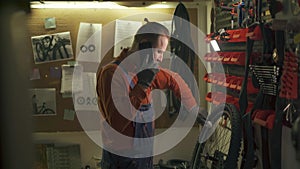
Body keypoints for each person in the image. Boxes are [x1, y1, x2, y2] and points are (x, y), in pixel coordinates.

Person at [96, 21, 206, 169]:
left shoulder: (146, 70)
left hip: (144, 156)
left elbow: (175, 80)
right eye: (159, 51)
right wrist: (142, 85)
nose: (161, 58)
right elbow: (118, 122)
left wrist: (193, 108)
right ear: (144, 46)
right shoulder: (112, 73)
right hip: (120, 160)